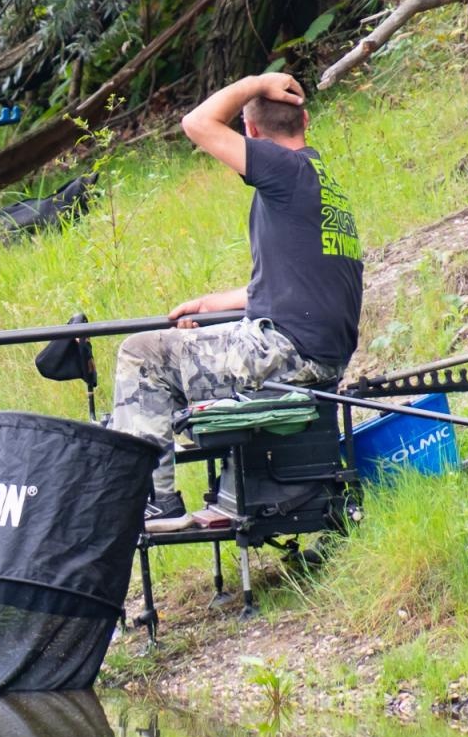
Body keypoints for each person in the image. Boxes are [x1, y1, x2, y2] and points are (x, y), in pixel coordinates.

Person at [110, 72, 363, 526]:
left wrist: (255, 82)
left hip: (285, 355)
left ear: (251, 132)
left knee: (140, 354)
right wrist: (213, 304)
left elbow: (197, 123)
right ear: (305, 119)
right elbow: (303, 285)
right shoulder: (322, 182)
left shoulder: (282, 168)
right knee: (180, 341)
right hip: (312, 351)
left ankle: (155, 499)